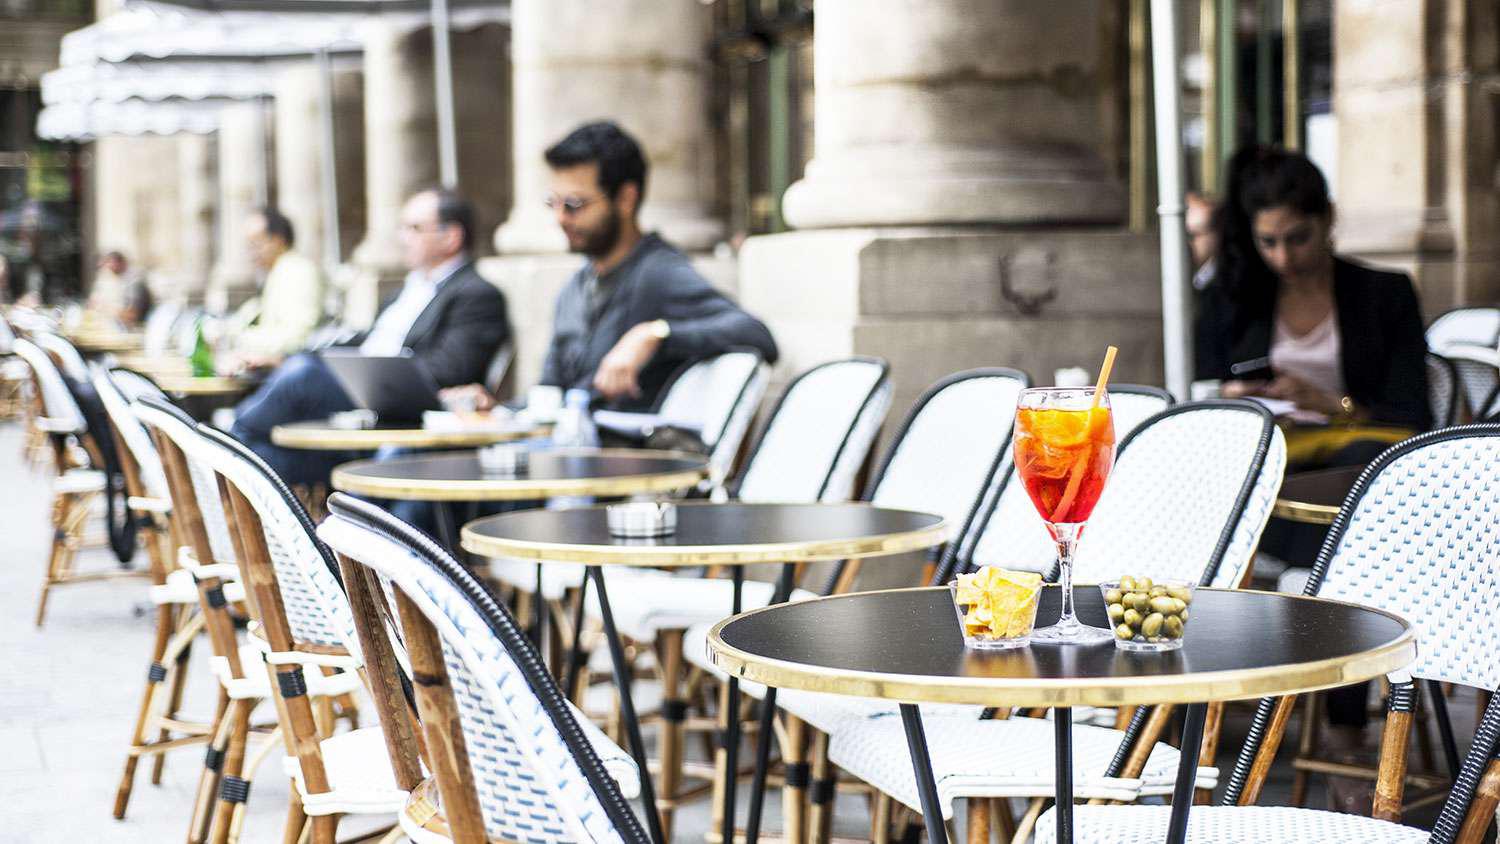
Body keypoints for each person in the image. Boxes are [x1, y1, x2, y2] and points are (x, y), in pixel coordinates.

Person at [440, 121, 777, 414]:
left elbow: (756, 335)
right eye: (552, 203)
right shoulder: (574, 288)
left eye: (574, 205)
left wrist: (656, 334)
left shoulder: (658, 273)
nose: (560, 218)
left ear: (626, 199)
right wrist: (495, 409)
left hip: (623, 469)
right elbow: (551, 396)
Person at [229, 189, 511, 486]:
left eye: (414, 228)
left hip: (395, 406)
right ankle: (235, 459)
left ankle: (228, 438)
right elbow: (366, 339)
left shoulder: (475, 293)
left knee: (302, 373)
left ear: (451, 237)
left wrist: (362, 371)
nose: (402, 237)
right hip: (360, 403)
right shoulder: (408, 289)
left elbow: (450, 368)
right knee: (256, 454)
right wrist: (285, 358)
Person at [1197, 145, 1430, 451]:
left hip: (1355, 454)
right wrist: (1227, 396)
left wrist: (1330, 403)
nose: (1284, 258)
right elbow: (1200, 390)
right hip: (1257, 449)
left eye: (1298, 238)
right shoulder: (1234, 296)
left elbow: (1410, 415)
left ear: (1328, 217)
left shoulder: (1385, 294)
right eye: (1268, 242)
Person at [220, 208, 325, 371]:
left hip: (292, 369)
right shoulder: (277, 272)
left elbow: (297, 337)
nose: (251, 252)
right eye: (248, 245)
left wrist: (239, 339)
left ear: (277, 240)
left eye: (255, 243)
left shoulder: (298, 271)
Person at [87, 251, 153, 328]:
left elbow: (131, 315)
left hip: (133, 329)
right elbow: (92, 304)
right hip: (112, 326)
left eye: (111, 264)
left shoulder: (135, 282)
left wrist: (105, 309)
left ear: (122, 263)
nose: (108, 268)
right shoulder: (107, 279)